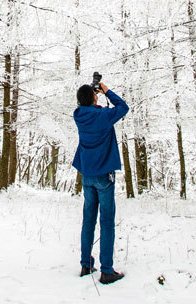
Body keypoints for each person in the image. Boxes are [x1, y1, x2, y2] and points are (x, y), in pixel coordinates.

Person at [72, 80, 128, 285]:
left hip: (87, 175)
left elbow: (87, 107)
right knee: (106, 222)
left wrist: (92, 96)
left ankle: (86, 264)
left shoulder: (79, 115)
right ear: (94, 98)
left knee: (88, 220)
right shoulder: (103, 117)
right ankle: (106, 270)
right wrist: (106, 90)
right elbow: (123, 107)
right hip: (104, 174)